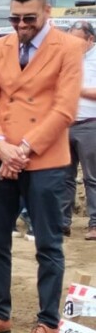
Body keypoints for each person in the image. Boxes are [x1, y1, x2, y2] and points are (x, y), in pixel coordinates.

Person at [0, 0, 86, 333]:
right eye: (15, 18)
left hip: (44, 160)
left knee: (48, 244)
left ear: (47, 12)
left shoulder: (69, 48)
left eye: (29, 18)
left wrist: (22, 150)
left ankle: (47, 322)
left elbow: (64, 108)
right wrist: (0, 145)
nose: (21, 25)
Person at [66, 21, 96, 240]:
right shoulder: (66, 58)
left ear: (90, 39)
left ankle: (95, 223)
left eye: (76, 40)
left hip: (90, 123)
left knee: (92, 177)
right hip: (65, 123)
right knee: (64, 177)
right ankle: (62, 222)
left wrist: (76, 89)